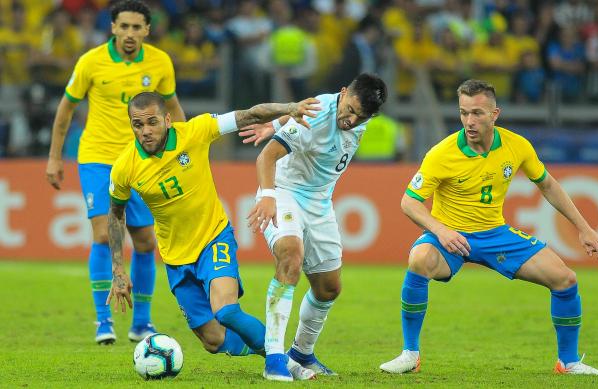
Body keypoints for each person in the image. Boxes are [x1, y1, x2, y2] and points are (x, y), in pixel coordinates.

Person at [379, 79, 598, 375]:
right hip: (451, 236)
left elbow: (548, 185)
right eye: (463, 113)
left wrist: (584, 227)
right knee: (419, 260)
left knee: (565, 280)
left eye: (477, 113)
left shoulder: (516, 145)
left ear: (495, 114)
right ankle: (410, 354)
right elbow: (409, 202)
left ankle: (568, 362)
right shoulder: (441, 154)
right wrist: (441, 231)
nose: (469, 121)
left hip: (495, 236)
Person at [107, 91, 320, 380]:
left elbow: (249, 114)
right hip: (176, 258)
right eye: (137, 124)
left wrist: (290, 107)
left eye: (152, 122)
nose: (145, 131)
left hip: (213, 238)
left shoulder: (195, 131)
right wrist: (118, 270)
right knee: (213, 340)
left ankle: (279, 362)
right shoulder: (125, 166)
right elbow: (116, 214)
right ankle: (278, 356)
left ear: (167, 119)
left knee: (227, 311)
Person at [45, 0, 186, 345]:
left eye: (137, 28)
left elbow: (173, 109)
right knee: (105, 235)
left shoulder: (160, 62)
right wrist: (54, 158)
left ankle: (141, 322)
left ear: (147, 31)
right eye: (123, 26)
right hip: (97, 157)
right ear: (112, 28)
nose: (129, 34)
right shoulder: (91, 62)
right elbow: (66, 110)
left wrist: (187, 152)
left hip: (140, 161)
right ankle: (103, 321)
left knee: (146, 241)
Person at [246, 73, 387, 381]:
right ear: (343, 92)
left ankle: (302, 354)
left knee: (329, 288)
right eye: (348, 109)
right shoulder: (318, 113)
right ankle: (274, 358)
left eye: (359, 117)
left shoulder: (358, 117)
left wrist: (278, 122)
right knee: (291, 255)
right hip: (283, 190)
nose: (349, 120)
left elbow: (308, 112)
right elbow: (266, 157)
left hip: (320, 203)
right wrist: (268, 196)